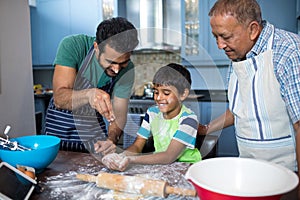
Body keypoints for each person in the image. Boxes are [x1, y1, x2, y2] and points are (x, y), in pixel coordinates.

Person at [198, 0, 300, 176]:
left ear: (253, 30)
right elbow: (239, 110)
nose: (220, 45)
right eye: (216, 37)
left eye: (226, 37)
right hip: (248, 168)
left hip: (287, 173)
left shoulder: (289, 52)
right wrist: (206, 129)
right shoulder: (237, 54)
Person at [44, 17, 139, 154]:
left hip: (93, 141)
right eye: (110, 61)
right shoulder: (73, 46)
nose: (117, 69)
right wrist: (89, 94)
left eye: (123, 62)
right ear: (96, 48)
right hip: (58, 137)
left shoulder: (128, 70)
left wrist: (111, 140)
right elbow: (59, 98)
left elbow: (119, 113)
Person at [100, 63, 202, 171]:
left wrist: (131, 159)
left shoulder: (189, 120)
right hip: (162, 167)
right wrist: (121, 157)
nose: (158, 97)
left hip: (187, 169)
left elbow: (169, 156)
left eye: (166, 93)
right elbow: (138, 145)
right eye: (156, 92)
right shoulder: (152, 113)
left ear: (183, 94)